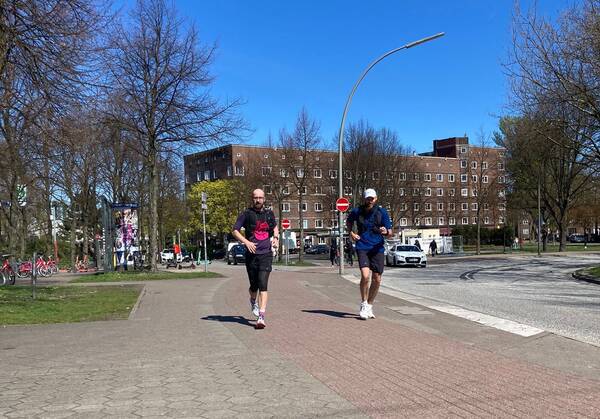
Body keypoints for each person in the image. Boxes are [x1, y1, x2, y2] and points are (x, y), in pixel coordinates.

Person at [232, 189, 278, 329]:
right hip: (251, 255)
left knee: (263, 283)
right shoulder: (246, 214)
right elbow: (235, 230)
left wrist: (276, 238)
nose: (258, 200)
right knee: (254, 286)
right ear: (252, 199)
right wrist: (246, 242)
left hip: (265, 254)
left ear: (264, 199)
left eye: (260, 198)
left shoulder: (269, 214)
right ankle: (253, 300)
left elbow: (275, 227)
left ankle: (261, 317)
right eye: (255, 198)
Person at [346, 188, 393, 320]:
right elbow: (349, 221)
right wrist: (351, 233)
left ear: (376, 199)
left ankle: (370, 305)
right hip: (362, 246)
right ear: (364, 198)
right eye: (368, 198)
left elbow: (390, 233)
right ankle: (363, 303)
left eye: (372, 198)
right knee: (365, 276)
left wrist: (385, 232)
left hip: (377, 248)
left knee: (377, 279)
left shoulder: (382, 212)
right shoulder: (357, 211)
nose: (370, 200)